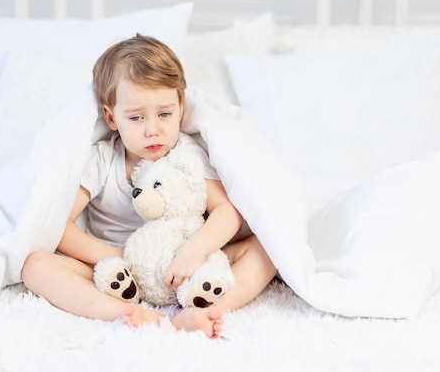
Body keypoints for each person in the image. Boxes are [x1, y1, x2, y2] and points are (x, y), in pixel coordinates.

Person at [21, 34, 277, 338]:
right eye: (136, 117)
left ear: (181, 108)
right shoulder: (103, 160)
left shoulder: (187, 154)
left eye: (165, 114)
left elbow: (226, 211)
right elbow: (58, 225)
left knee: (269, 247)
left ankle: (200, 310)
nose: (152, 130)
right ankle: (127, 313)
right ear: (111, 117)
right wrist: (112, 255)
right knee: (34, 266)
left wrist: (194, 250)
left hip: (187, 267)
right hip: (120, 272)